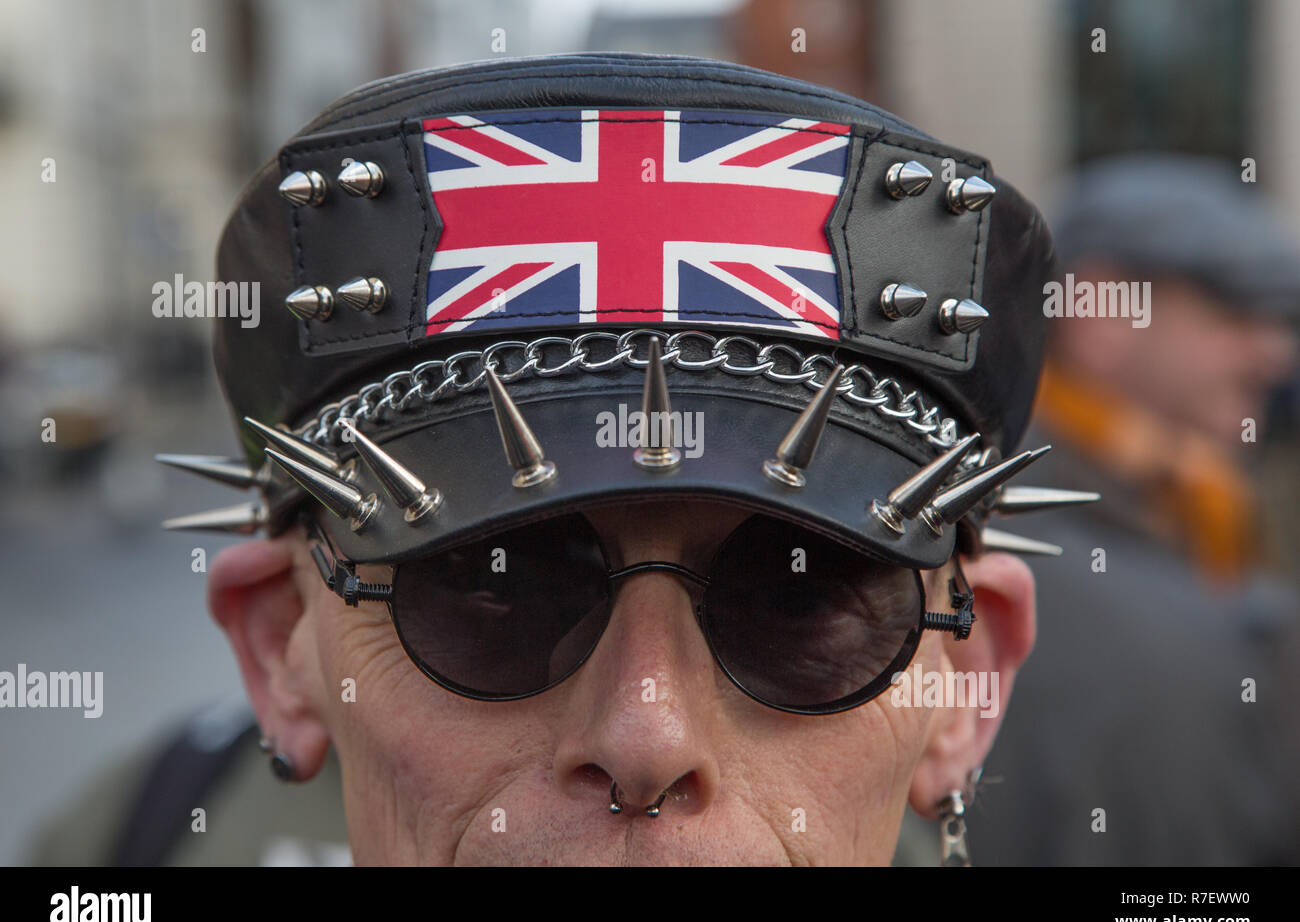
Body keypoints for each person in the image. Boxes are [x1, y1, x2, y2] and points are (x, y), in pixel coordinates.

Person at [44, 53, 1082, 866]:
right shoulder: (125, 844)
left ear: (967, 682)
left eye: (796, 602)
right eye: (497, 591)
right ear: (283, 646)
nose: (645, 736)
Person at [965, 154, 1300, 865]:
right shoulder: (992, 530)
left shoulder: (1191, 506)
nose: (1274, 355)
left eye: (1281, 322)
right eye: (1233, 312)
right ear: (1099, 314)